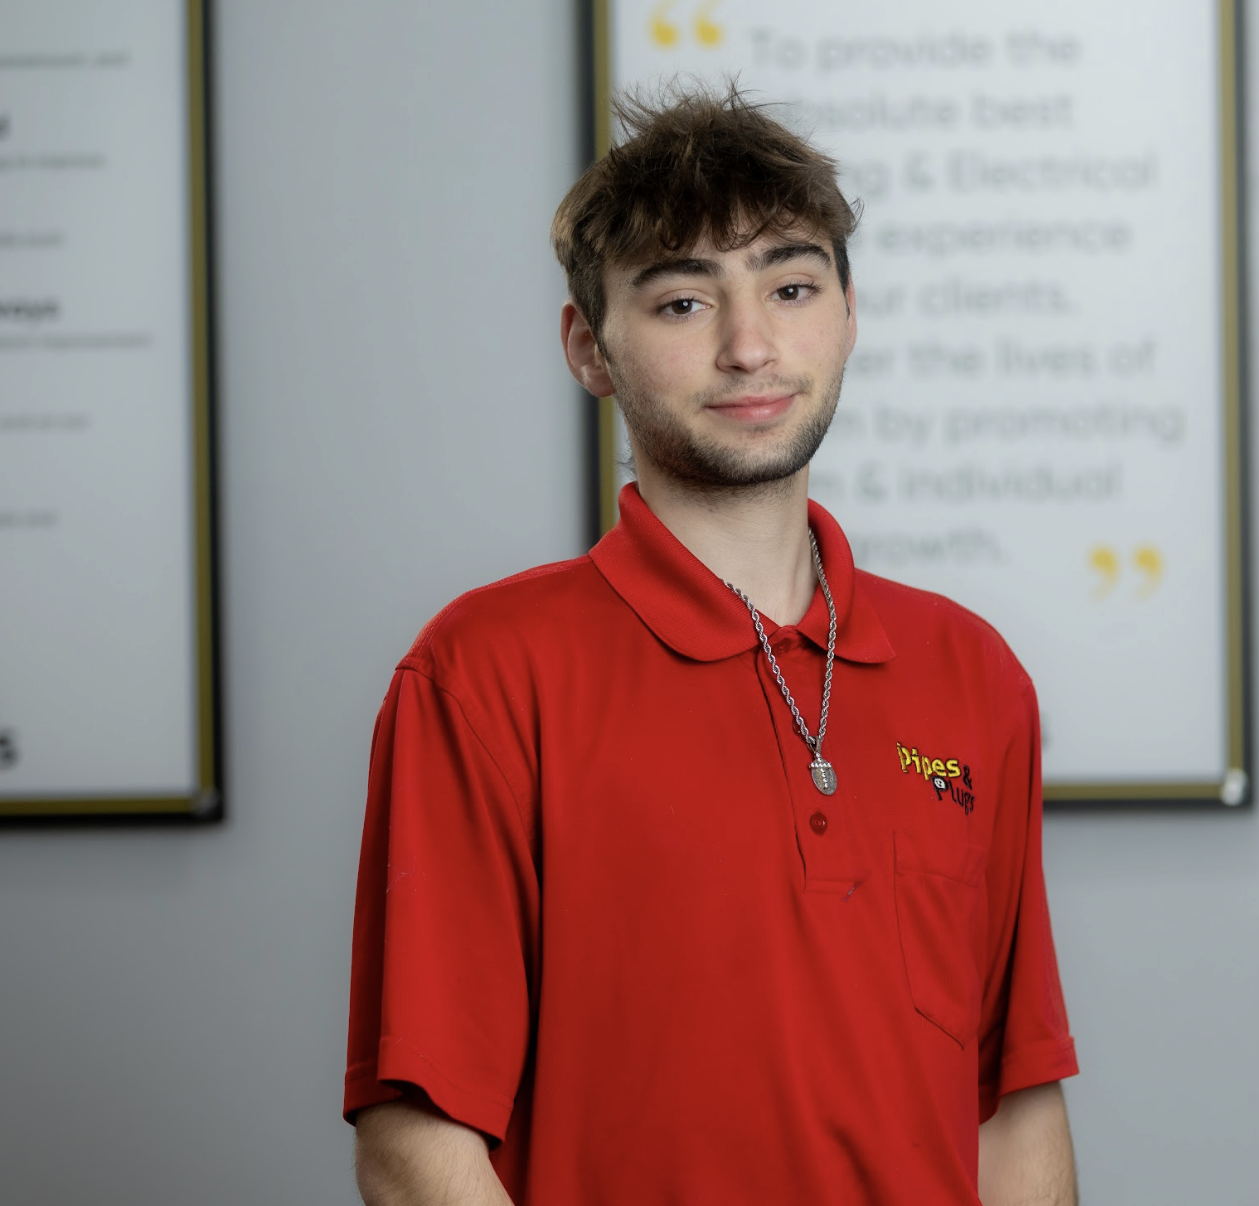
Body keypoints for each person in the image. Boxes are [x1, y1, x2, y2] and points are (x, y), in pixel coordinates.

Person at [345, 85, 1078, 1206]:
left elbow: (1013, 1108)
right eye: (684, 303)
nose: (751, 346)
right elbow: (418, 1145)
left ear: (847, 317)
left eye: (792, 288)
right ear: (589, 349)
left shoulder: (973, 673)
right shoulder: (483, 672)